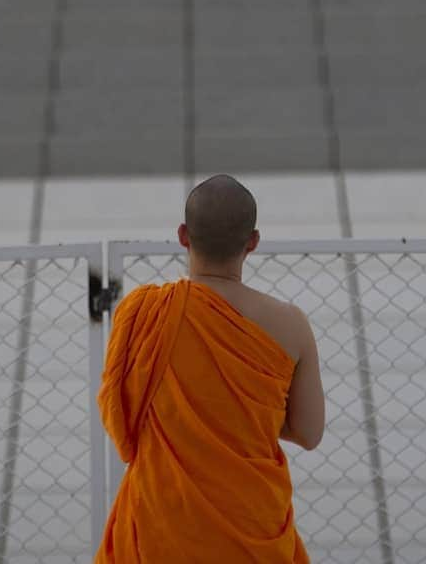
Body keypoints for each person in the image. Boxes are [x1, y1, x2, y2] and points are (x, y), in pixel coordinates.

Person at [95, 173, 325, 563]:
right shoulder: (291, 324)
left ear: (183, 235)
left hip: (162, 524)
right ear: (252, 242)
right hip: (249, 526)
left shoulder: (143, 312)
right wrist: (250, 415)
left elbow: (120, 413)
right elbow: (308, 431)